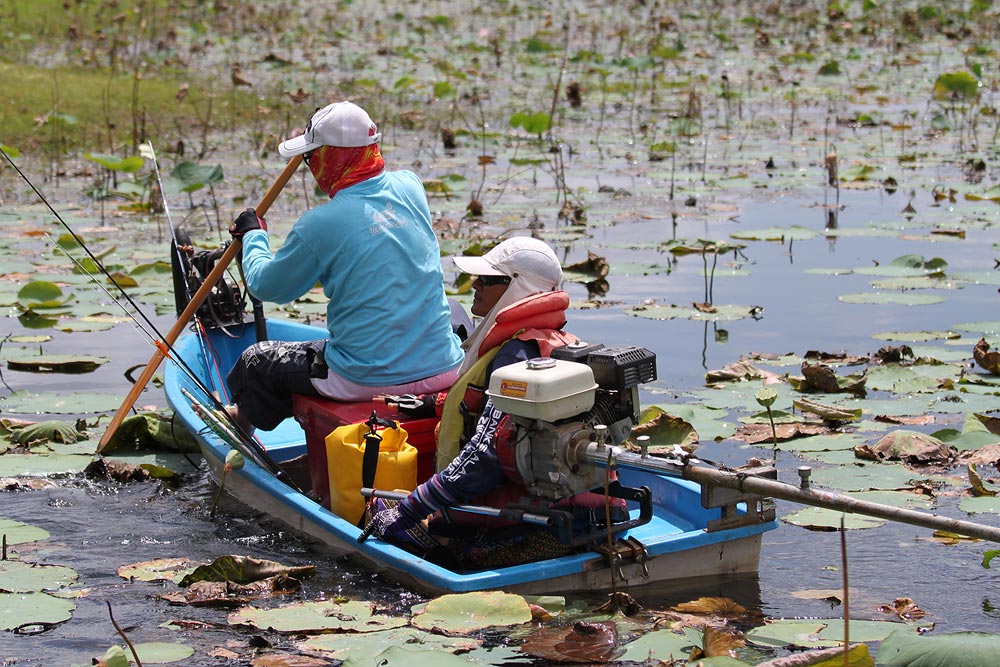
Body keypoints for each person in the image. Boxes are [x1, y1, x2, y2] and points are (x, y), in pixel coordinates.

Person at [364, 237, 624, 565]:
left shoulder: (514, 357)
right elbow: (497, 412)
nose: (475, 284)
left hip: (538, 531)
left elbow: (482, 458)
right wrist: (433, 404)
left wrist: (409, 510)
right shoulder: (553, 342)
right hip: (598, 519)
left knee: (381, 510)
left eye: (487, 279)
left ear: (518, 287)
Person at [225, 101, 464, 432]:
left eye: (311, 158)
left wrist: (254, 236)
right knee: (453, 308)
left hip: (362, 379)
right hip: (446, 367)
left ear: (328, 158)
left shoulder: (320, 224)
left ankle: (243, 424)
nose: (309, 167)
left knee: (256, 363)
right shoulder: (411, 186)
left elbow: (266, 286)